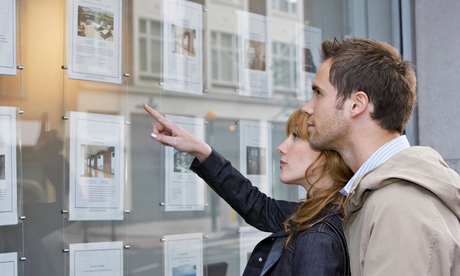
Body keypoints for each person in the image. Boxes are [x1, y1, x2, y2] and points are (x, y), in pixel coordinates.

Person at [301, 36, 460, 275]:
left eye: (318, 93)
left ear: (357, 104)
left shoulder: (398, 207)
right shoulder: (384, 195)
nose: (307, 107)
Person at [144, 104, 353, 275]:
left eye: (296, 137)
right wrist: (200, 149)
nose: (281, 147)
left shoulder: (318, 235)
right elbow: (259, 207)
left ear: (328, 153)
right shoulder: (318, 213)